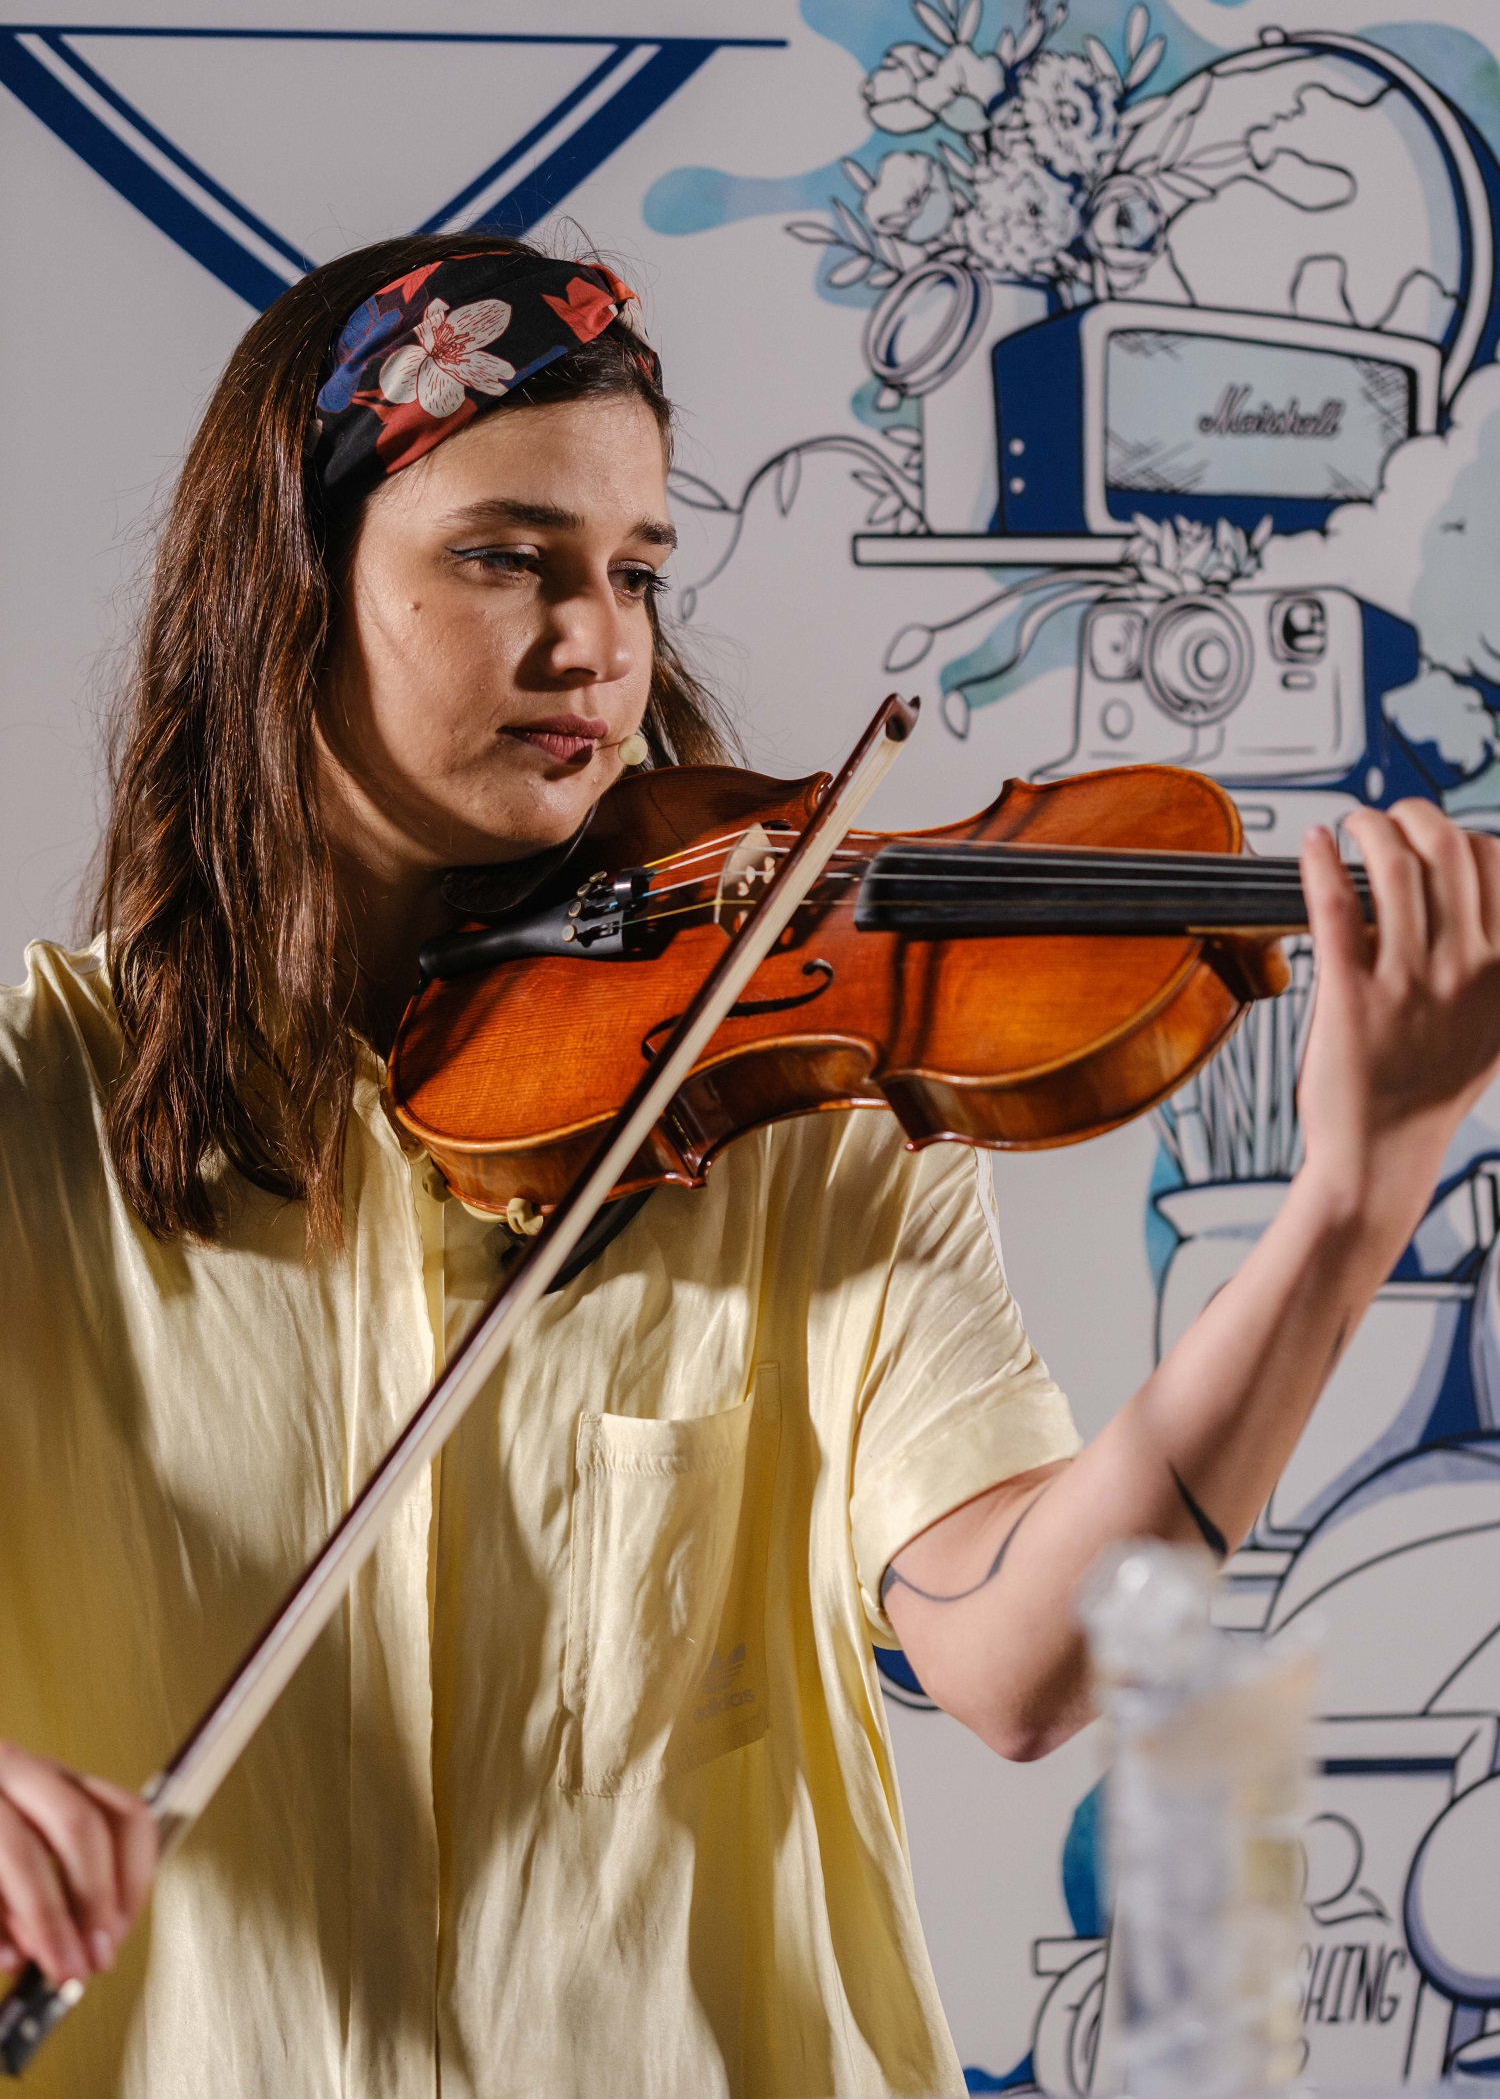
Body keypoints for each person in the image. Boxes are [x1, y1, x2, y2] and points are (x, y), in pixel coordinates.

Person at [1, 231, 1498, 2099]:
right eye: (507, 556)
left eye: (634, 571)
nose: (596, 645)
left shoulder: (790, 1107)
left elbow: (1023, 1663)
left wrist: (1353, 1201)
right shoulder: (36, 1108)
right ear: (287, 581)